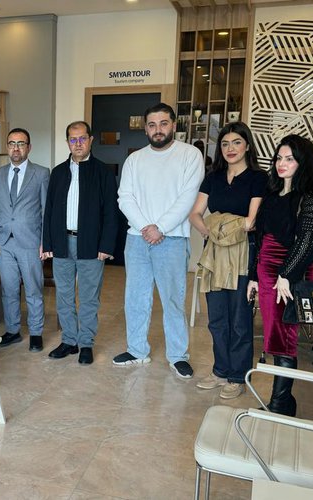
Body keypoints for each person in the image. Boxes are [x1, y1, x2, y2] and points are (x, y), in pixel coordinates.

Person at [113, 103, 204, 380]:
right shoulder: (135, 159)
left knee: (173, 300)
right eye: (152, 125)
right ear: (145, 129)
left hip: (172, 239)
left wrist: (160, 228)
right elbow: (125, 197)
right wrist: (146, 228)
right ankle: (137, 349)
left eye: (163, 123)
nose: (158, 130)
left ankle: (178, 356)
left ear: (173, 125)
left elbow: (188, 197)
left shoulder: (190, 155)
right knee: (135, 298)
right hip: (137, 239)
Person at [247, 134, 313, 416]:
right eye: (279, 158)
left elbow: (308, 243)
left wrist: (286, 274)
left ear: (303, 162)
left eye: (290, 159)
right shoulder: (273, 193)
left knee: (283, 338)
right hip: (268, 274)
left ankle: (280, 404)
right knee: (274, 336)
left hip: (289, 276)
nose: (281, 163)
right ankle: (283, 401)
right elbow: (261, 238)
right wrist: (254, 276)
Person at [188, 122, 266, 398]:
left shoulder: (258, 178)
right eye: (224, 143)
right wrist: (211, 231)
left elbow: (251, 222)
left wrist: (219, 223)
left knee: (240, 320)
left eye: (236, 142)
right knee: (217, 318)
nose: (230, 148)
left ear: (247, 145)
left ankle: (237, 376)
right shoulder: (213, 177)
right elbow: (195, 214)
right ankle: (220, 370)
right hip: (215, 253)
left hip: (244, 253)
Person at [42, 121, 118, 365]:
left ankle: (85, 343)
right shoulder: (58, 172)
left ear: (90, 140)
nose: (78, 144)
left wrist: (106, 246)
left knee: (88, 298)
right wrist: (48, 243)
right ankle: (69, 341)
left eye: (82, 138)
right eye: (73, 139)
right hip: (61, 243)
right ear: (67, 143)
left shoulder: (103, 172)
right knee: (64, 296)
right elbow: (49, 210)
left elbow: (111, 212)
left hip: (91, 245)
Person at [0, 128, 50, 351]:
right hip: (4, 243)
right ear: (7, 147)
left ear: (29, 147)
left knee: (33, 290)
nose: (16, 148)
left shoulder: (41, 173)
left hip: (31, 243)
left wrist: (45, 242)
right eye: (12, 143)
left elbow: (46, 212)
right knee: (9, 290)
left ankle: (36, 333)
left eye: (21, 143)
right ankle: (13, 330)